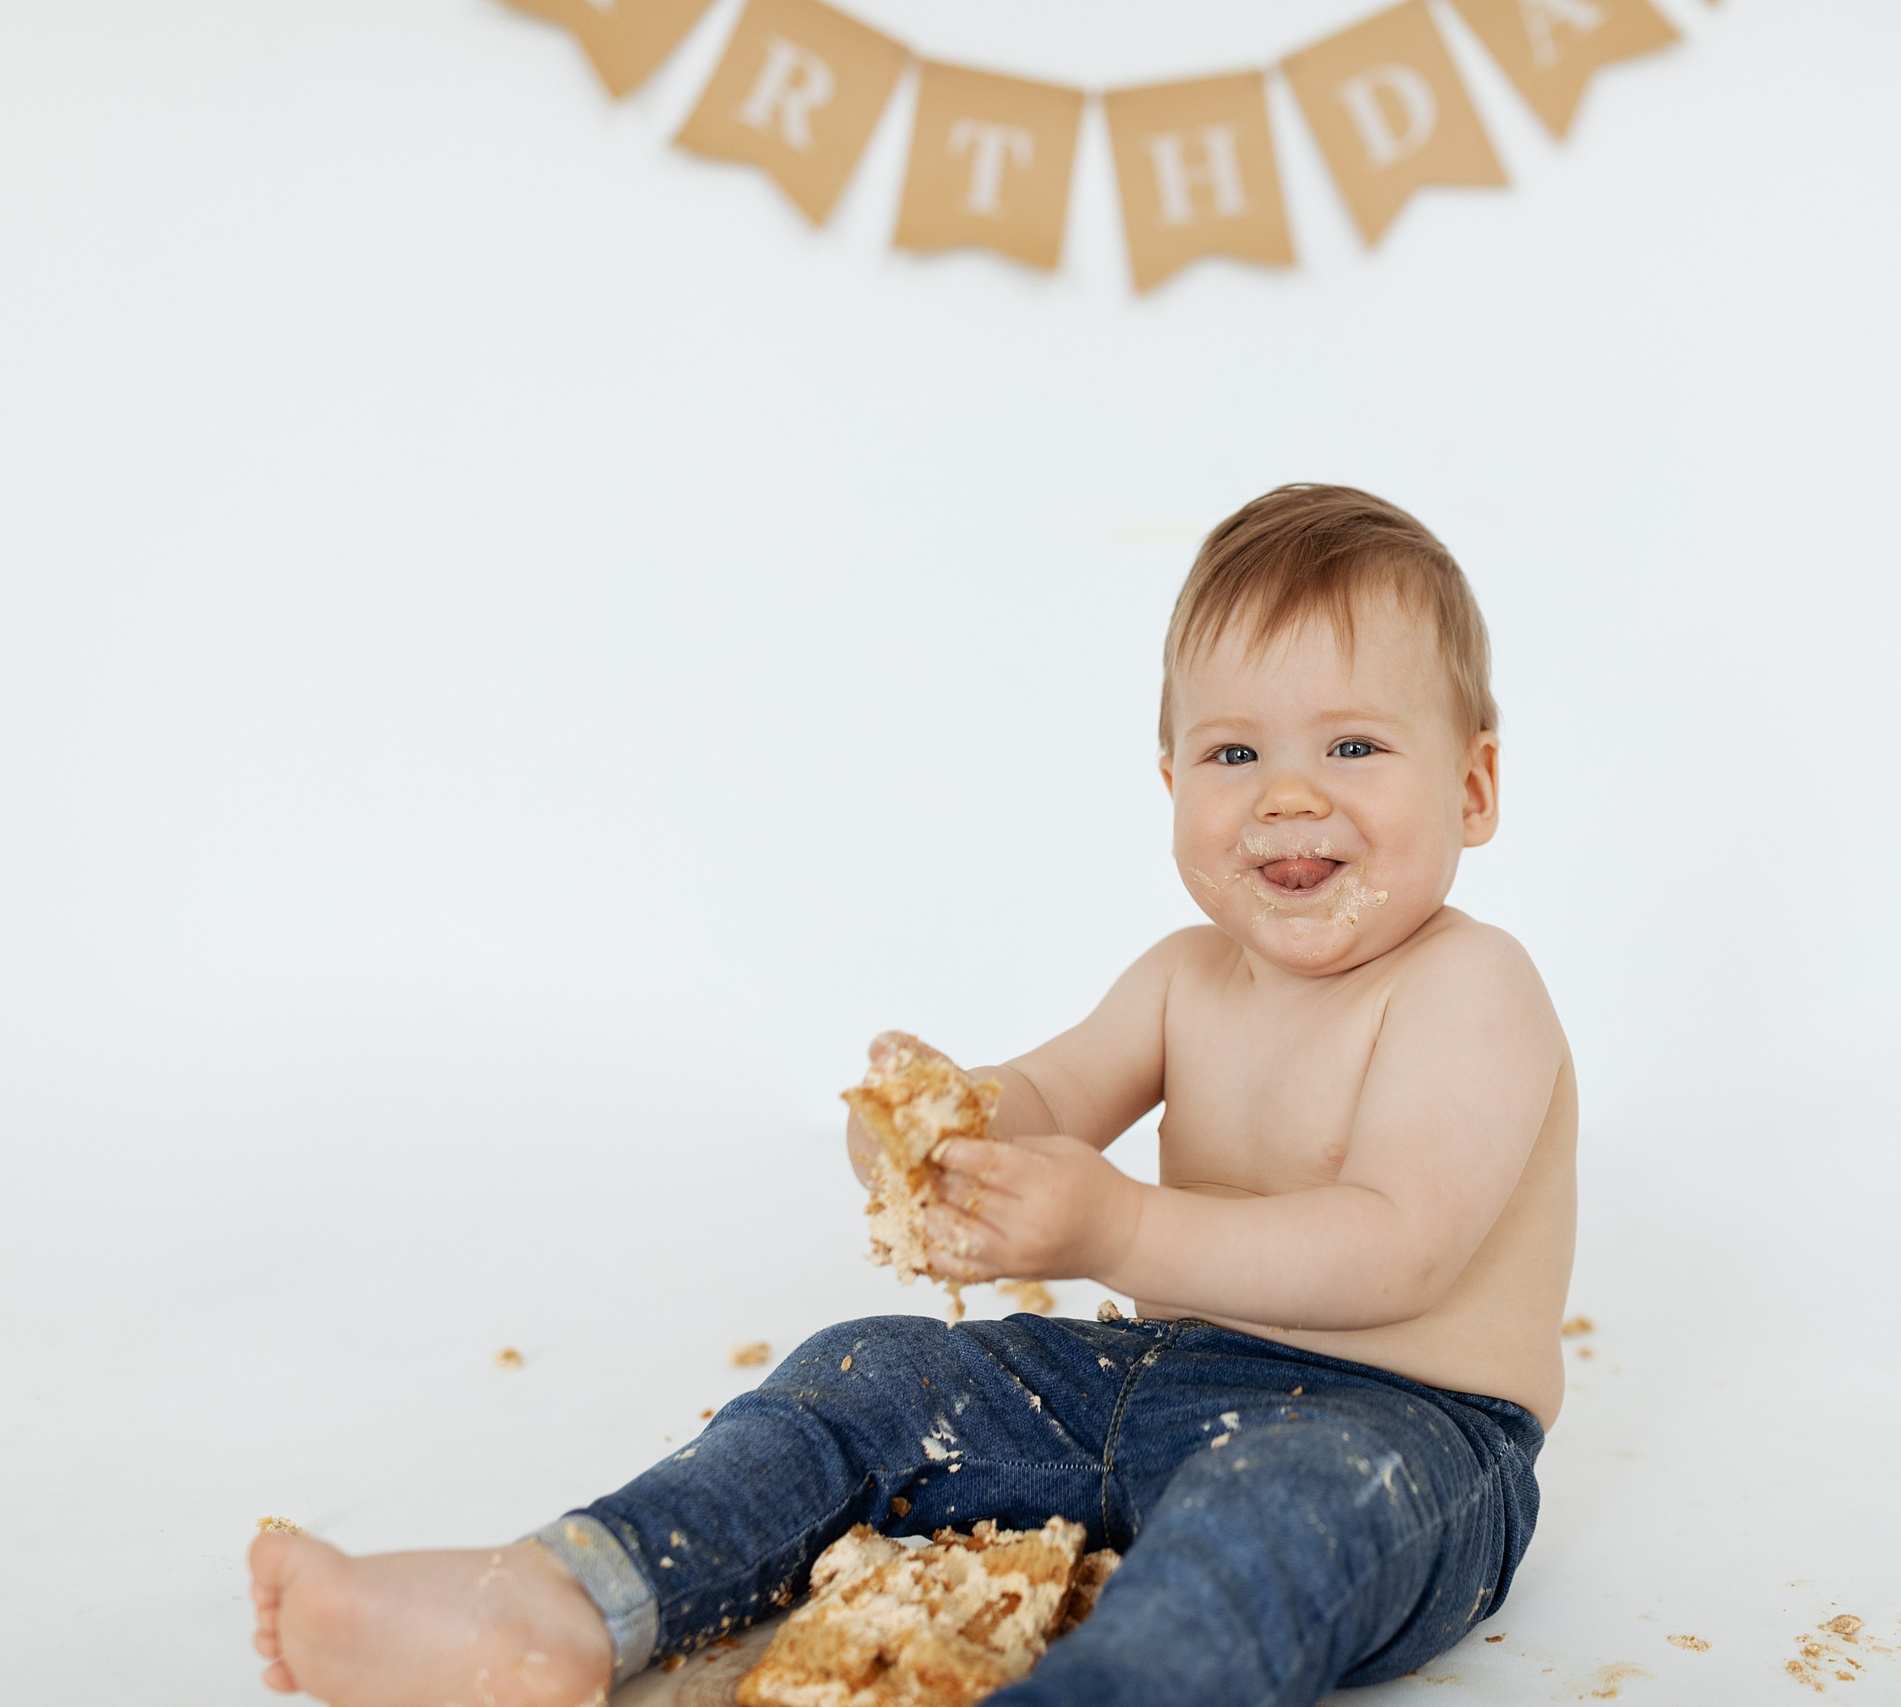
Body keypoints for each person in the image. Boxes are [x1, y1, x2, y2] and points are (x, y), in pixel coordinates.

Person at [247, 484, 1578, 1707]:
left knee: (1278, 1514)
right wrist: (935, 1126)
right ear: (1171, 784)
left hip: (1405, 1441)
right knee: (873, 1374)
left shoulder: (1471, 988)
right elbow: (1046, 1096)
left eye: (1353, 746)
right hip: (1147, 1388)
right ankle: (567, 1601)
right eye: (1234, 755)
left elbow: (1402, 1242)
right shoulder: (1185, 978)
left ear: (1473, 785)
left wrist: (1115, 1233)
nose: (1288, 795)